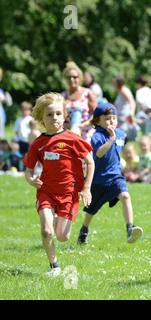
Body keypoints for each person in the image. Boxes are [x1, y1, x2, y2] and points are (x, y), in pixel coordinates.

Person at [23, 92, 95, 276]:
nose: (54, 118)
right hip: (46, 191)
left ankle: (59, 219)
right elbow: (28, 170)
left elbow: (90, 162)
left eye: (58, 114)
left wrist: (86, 188)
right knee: (47, 231)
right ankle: (54, 266)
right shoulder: (38, 144)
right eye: (49, 114)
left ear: (64, 116)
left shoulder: (73, 139)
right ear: (41, 118)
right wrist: (31, 180)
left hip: (69, 193)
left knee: (62, 237)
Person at [77, 102, 143, 245]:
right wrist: (111, 139)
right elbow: (99, 153)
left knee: (125, 196)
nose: (112, 121)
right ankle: (84, 230)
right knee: (91, 210)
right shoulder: (97, 136)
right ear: (97, 121)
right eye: (107, 118)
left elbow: (120, 147)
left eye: (114, 117)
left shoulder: (120, 134)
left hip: (115, 177)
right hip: (98, 179)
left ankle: (130, 229)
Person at [61, 61, 98, 143]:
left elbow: (96, 114)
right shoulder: (62, 96)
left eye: (74, 77)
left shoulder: (88, 93)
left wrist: (84, 125)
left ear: (80, 78)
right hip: (67, 132)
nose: (71, 79)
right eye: (69, 77)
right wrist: (64, 125)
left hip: (86, 132)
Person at [112, 75, 138, 141]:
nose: (113, 86)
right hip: (120, 119)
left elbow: (132, 102)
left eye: (114, 84)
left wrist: (131, 113)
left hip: (125, 118)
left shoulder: (124, 91)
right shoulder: (121, 92)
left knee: (122, 137)